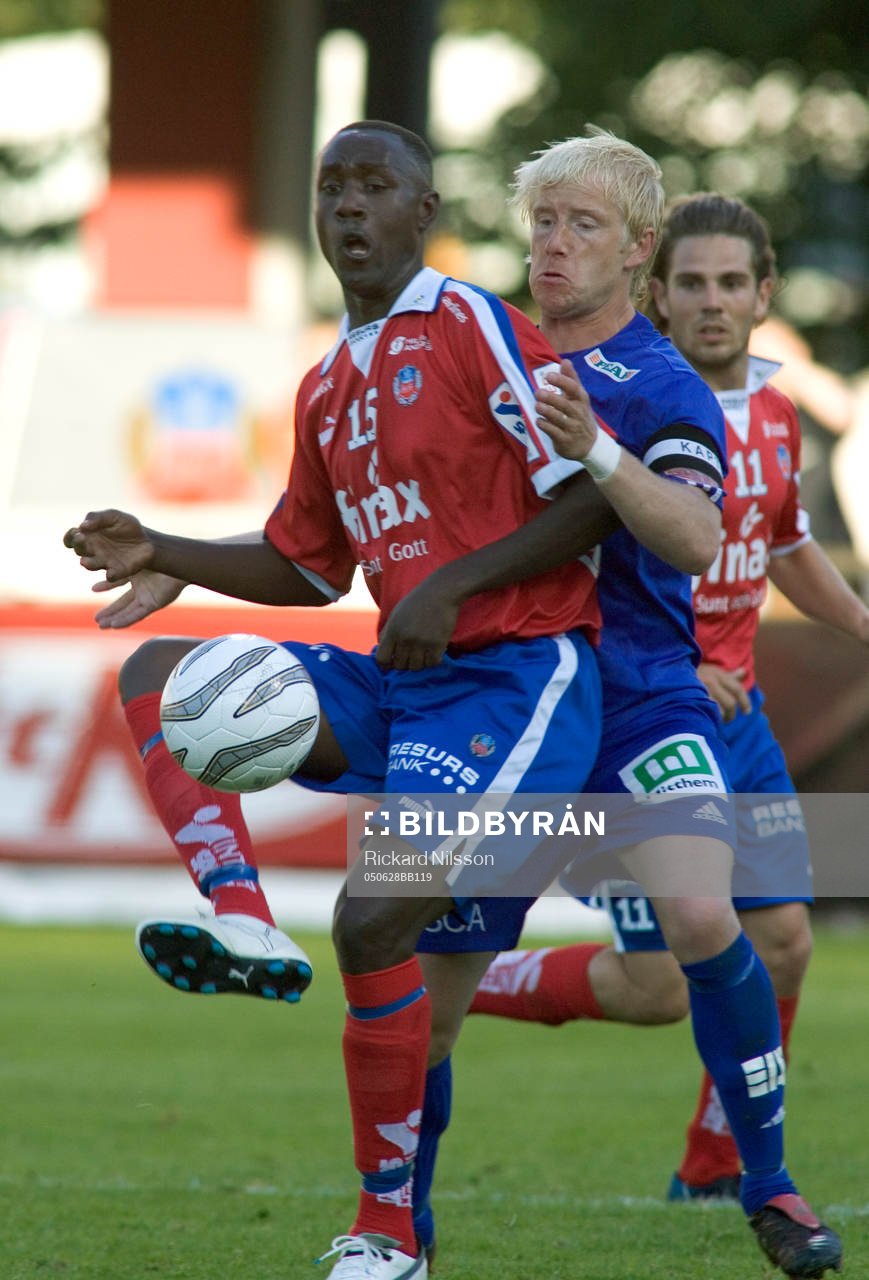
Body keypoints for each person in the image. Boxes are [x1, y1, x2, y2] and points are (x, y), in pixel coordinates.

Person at [63, 119, 683, 1280]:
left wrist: (450, 582)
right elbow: (310, 567)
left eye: (373, 186)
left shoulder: (468, 325)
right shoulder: (327, 379)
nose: (347, 205)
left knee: (373, 914)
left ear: (421, 209)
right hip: (402, 680)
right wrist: (172, 548)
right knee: (159, 672)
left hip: (520, 676)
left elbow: (589, 491)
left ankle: (386, 1233)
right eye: (329, 186)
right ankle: (241, 913)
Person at [400, 151, 843, 1279]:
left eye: (581, 223)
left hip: (643, 698)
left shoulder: (658, 385)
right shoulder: (478, 349)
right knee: (426, 1011)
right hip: (502, 701)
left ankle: (764, 1182)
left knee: (709, 918)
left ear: (631, 247)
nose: (552, 242)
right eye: (541, 220)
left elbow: (697, 539)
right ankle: (395, 1225)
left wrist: (591, 444)